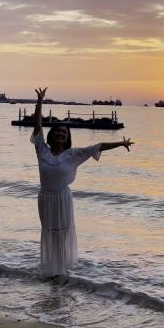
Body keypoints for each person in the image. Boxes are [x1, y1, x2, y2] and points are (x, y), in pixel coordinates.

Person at [30, 87, 134, 278]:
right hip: (45, 196)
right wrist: (39, 103)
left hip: (62, 197)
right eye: (58, 132)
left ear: (68, 138)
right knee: (49, 232)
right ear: (51, 135)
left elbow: (98, 146)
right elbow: (37, 128)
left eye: (65, 133)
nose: (61, 134)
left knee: (62, 233)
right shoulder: (42, 150)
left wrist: (120, 143)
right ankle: (51, 271)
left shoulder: (74, 155)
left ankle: (61, 273)